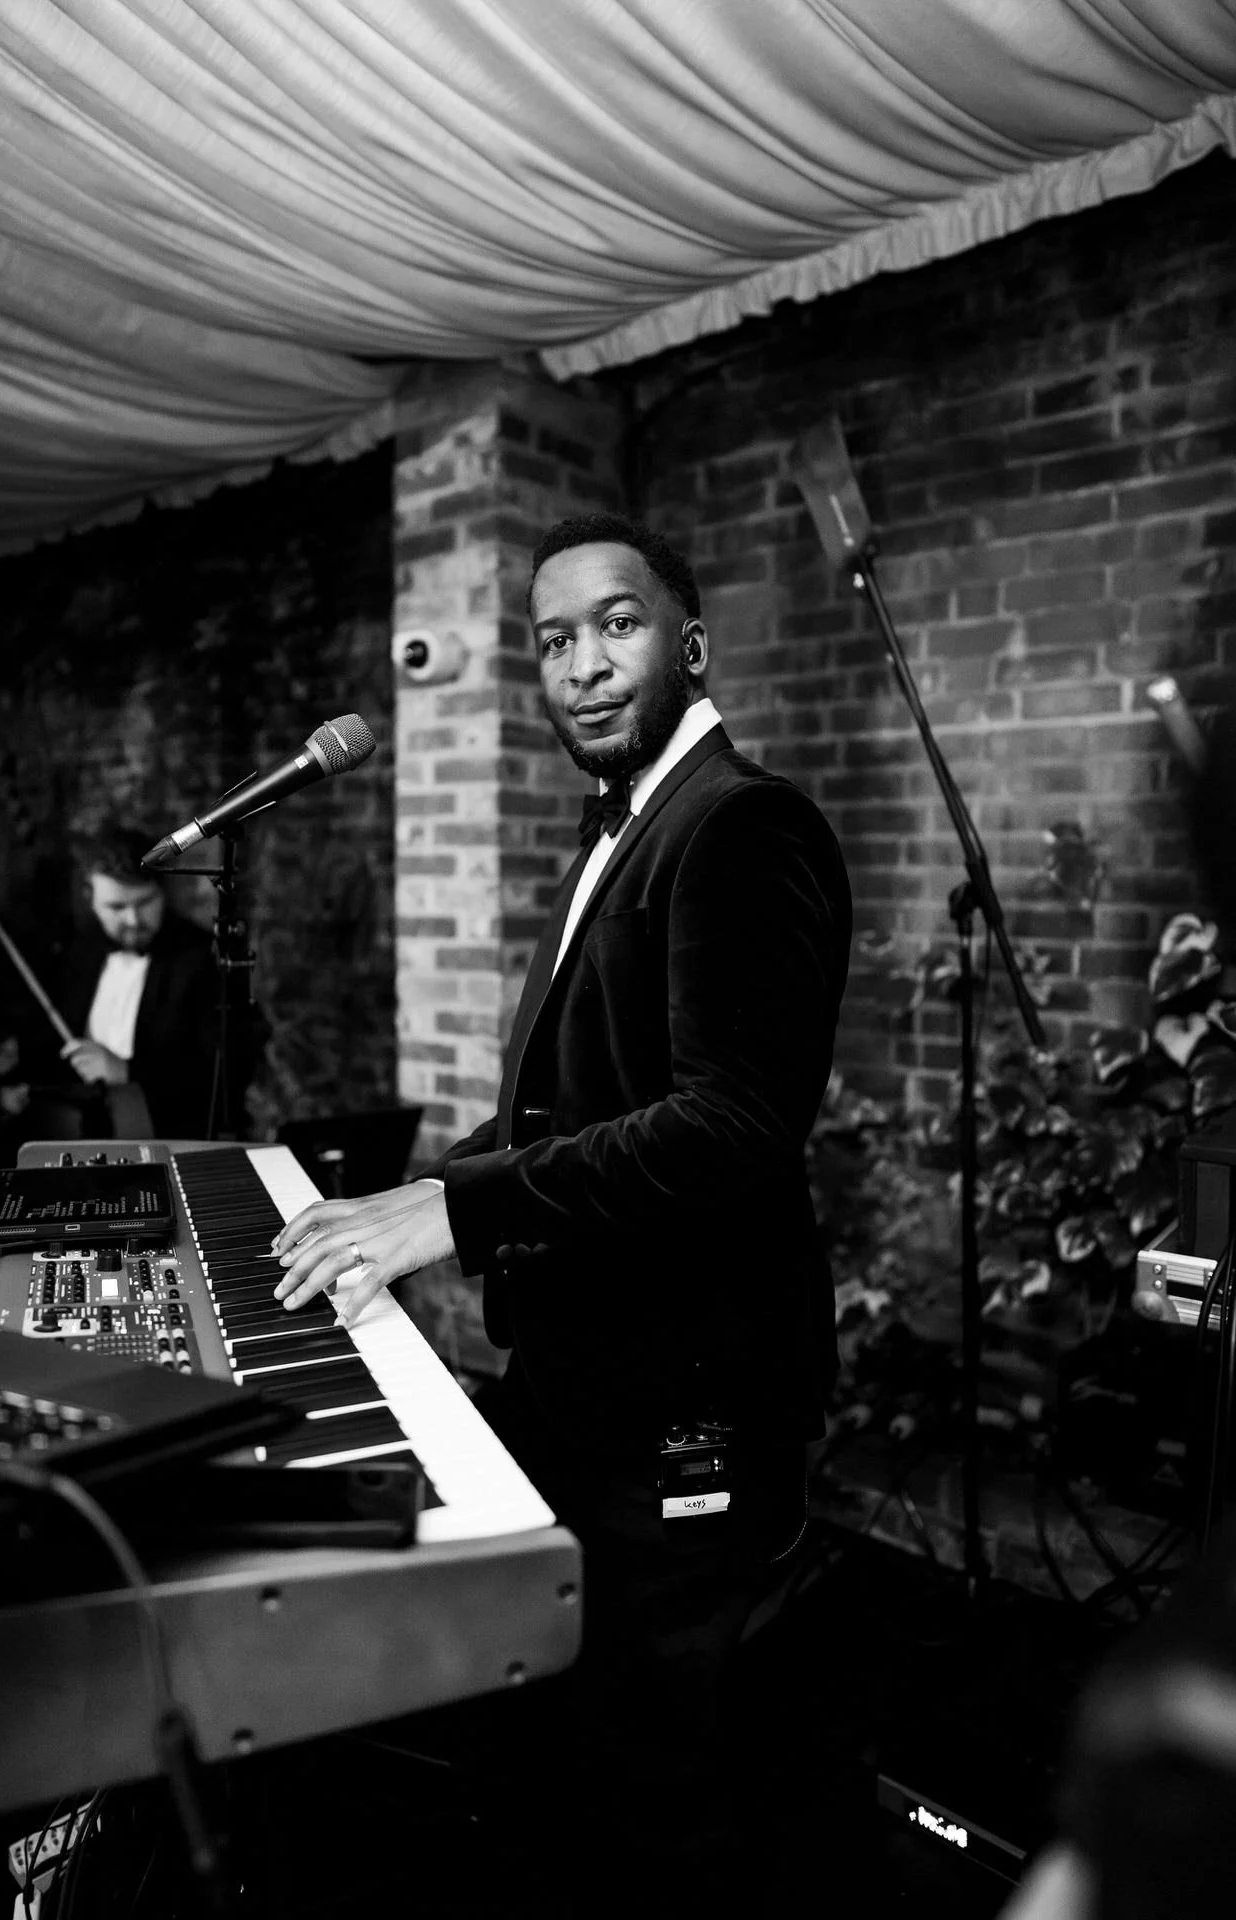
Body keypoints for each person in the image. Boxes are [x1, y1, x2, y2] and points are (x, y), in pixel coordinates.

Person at [271, 513, 853, 1906]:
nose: (582, 666)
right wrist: (396, 1201)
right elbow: (568, 1108)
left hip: (687, 1401)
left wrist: (455, 1220)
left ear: (689, 639)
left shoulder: (741, 824)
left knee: (670, 1789)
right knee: (575, 1744)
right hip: (588, 1386)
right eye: (553, 641)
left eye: (617, 624)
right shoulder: (626, 825)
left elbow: (733, 1124)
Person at [14, 823, 222, 1139]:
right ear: (90, 898)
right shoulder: (75, 952)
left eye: (144, 902)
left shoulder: (200, 958)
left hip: (167, 1134)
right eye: (116, 907)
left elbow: (220, 1077)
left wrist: (127, 1072)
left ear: (163, 891)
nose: (133, 920)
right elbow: (50, 1047)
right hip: (72, 1131)